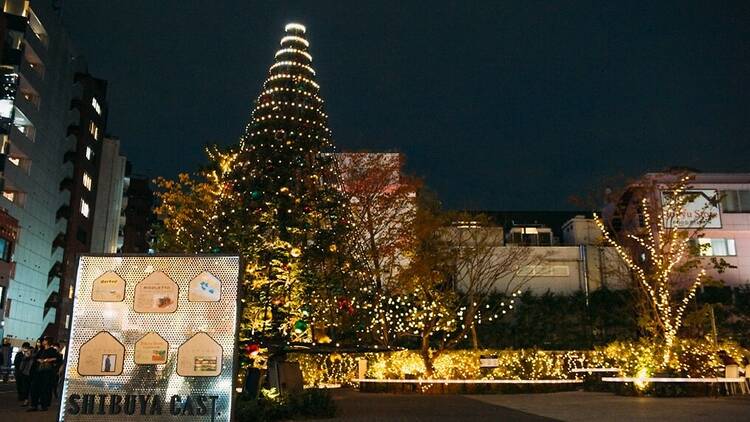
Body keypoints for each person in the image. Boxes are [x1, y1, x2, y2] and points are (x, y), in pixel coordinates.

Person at [28, 337, 58, 412]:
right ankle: (34, 405)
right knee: (34, 388)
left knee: (44, 389)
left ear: (47, 341)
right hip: (38, 371)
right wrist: (39, 360)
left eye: (44, 340)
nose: (43, 342)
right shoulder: (41, 350)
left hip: (46, 372)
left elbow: (57, 358)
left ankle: (43, 405)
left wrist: (47, 360)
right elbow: (36, 358)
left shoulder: (52, 350)